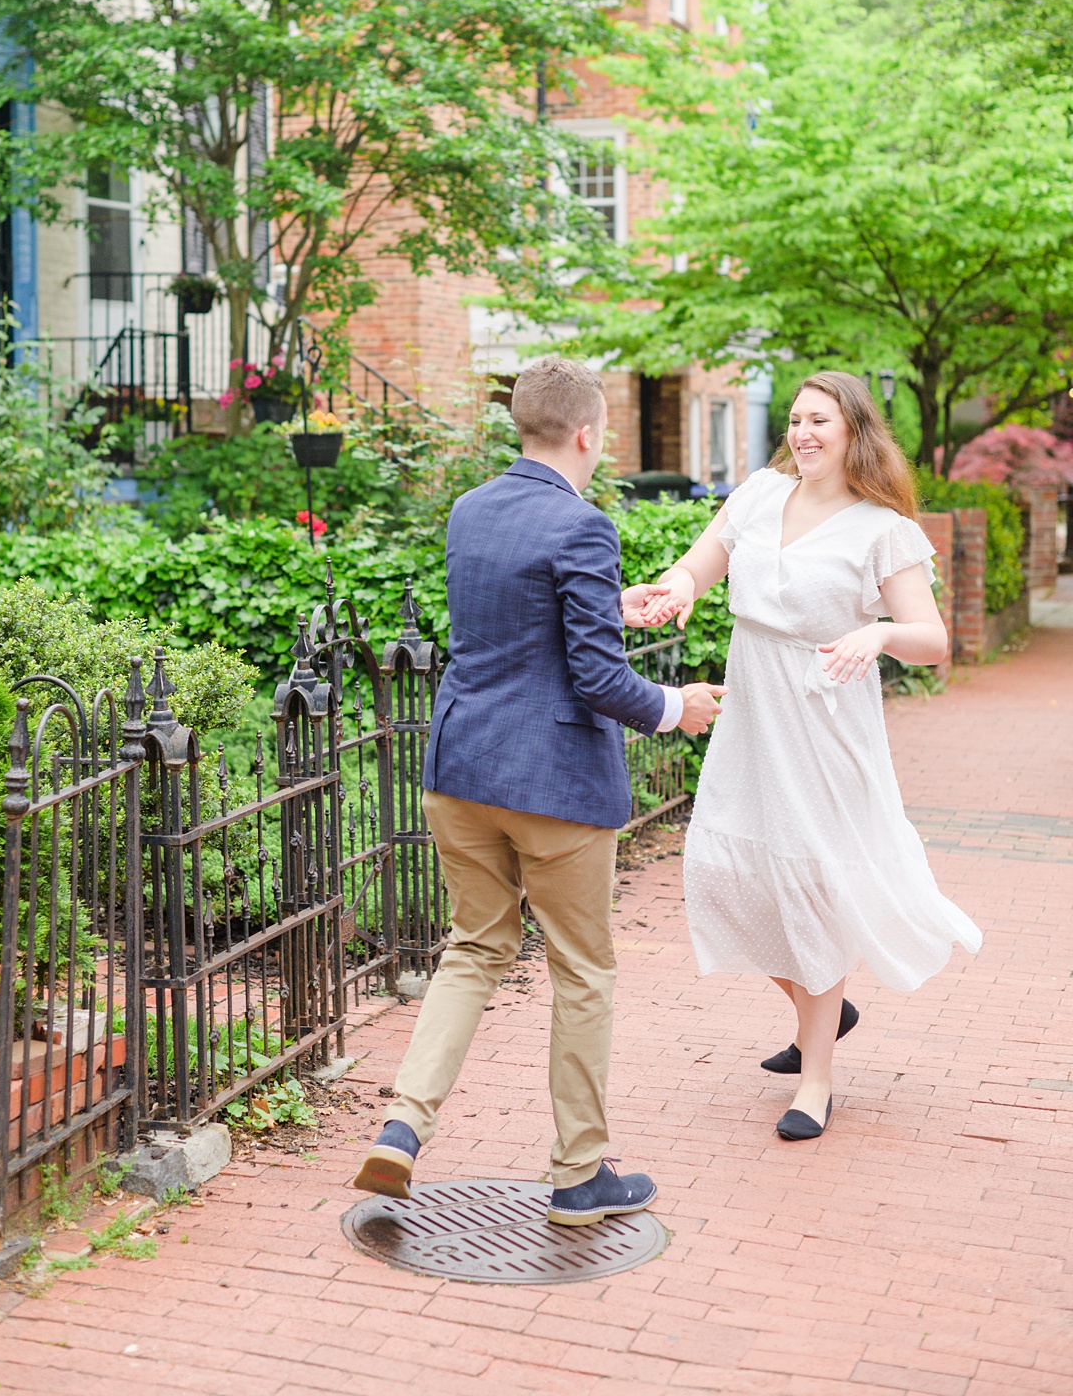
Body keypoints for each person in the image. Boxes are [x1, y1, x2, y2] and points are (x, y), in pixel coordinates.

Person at [352, 357, 722, 1222]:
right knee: (583, 970)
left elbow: (518, 626)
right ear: (591, 432)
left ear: (520, 425)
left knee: (474, 949)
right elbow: (596, 682)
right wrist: (677, 708)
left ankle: (402, 1128)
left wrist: (609, 606)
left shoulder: (472, 509)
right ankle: (578, 1174)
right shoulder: (583, 525)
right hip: (552, 785)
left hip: (461, 769)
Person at [624, 372, 974, 1140]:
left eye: (820, 419)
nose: (804, 432)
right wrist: (675, 588)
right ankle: (824, 1007)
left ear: (854, 431)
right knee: (721, 872)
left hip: (825, 728)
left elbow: (933, 641)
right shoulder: (756, 494)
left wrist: (878, 633)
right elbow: (700, 562)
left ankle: (816, 1081)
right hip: (753, 715)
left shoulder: (880, 528)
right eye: (795, 418)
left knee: (813, 887)